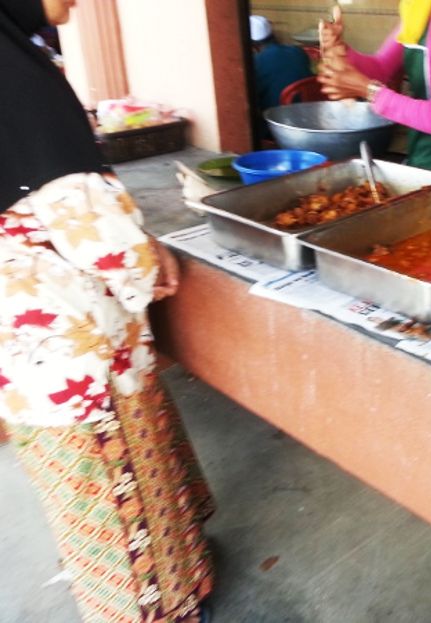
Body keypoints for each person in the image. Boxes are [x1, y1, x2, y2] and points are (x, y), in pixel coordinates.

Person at [0, 1, 214, 622]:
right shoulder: (19, 76)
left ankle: (160, 584)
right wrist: (149, 263)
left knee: (77, 485)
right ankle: (153, 609)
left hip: (21, 343)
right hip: (75, 346)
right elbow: (88, 222)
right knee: (119, 483)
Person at [316, 0, 431, 181]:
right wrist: (343, 51)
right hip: (424, 158)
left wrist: (368, 90)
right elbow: (381, 68)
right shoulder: (421, 7)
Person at [250, 15, 313, 112]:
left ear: (253, 45)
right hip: (306, 113)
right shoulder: (297, 51)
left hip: (276, 117)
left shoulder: (257, 62)